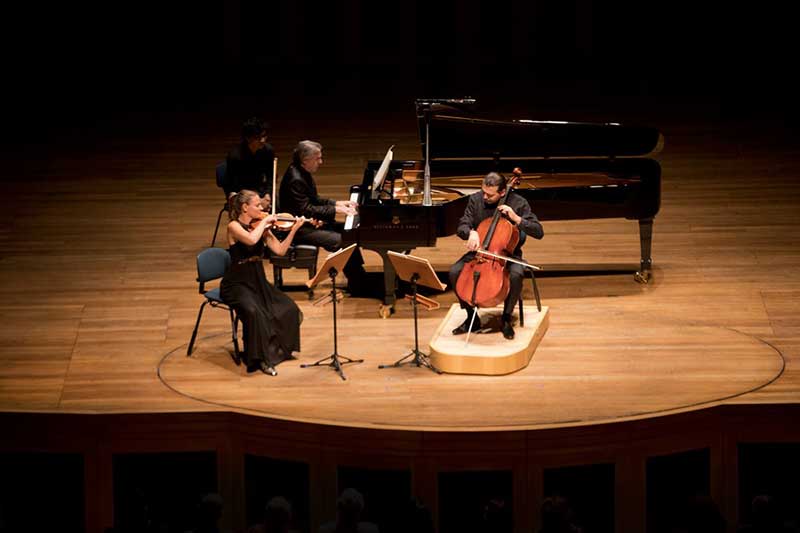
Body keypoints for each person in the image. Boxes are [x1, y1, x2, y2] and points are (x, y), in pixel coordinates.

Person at [448, 171, 543, 340]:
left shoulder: (519, 203)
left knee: (516, 274)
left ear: (502, 192)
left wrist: (516, 218)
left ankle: (506, 318)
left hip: (507, 254)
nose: (484, 197)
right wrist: (470, 232)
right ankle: (472, 317)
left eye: (490, 195)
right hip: (479, 253)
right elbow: (463, 224)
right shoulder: (476, 199)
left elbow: (538, 231)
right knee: (455, 272)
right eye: (483, 192)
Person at [221, 189, 306, 375]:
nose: (262, 208)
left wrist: (294, 230)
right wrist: (266, 222)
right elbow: (251, 240)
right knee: (254, 313)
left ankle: (277, 352)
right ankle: (260, 360)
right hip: (237, 284)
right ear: (245, 207)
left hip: (257, 280)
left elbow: (280, 250)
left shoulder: (260, 227)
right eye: (257, 205)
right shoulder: (233, 227)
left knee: (288, 308)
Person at [278, 140, 370, 295]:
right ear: (305, 160)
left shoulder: (302, 172)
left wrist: (336, 203)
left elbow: (314, 199)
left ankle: (358, 276)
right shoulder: (295, 179)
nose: (321, 162)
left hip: (308, 222)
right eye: (317, 158)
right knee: (340, 240)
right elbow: (306, 209)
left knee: (349, 232)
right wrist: (335, 209)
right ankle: (357, 282)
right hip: (297, 229)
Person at [224, 117, 275, 211]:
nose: (263, 140)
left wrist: (267, 195)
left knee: (276, 205)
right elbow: (231, 184)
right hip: (241, 192)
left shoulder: (268, 151)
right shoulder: (235, 156)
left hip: (260, 189)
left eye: (264, 136)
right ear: (248, 138)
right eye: (258, 138)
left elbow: (270, 177)